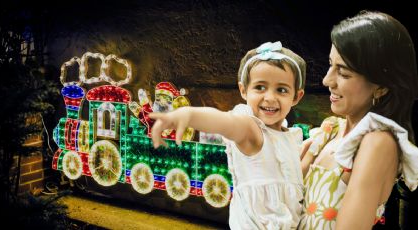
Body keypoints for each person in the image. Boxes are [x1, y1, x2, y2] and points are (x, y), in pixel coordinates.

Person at [150, 41, 306, 229]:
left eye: (281, 89)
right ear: (243, 90)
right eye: (260, 87)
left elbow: (291, 178)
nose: (270, 97)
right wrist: (189, 115)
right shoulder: (251, 129)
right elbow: (225, 122)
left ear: (296, 97)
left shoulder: (290, 136)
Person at [299, 11, 418, 230]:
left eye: (343, 73)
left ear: (381, 86)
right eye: (330, 65)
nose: (327, 80)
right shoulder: (331, 129)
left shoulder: (377, 143)